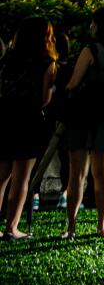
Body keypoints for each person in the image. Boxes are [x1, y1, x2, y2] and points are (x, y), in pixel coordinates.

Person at [61, 7, 104, 239]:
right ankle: (102, 226)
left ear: (98, 25)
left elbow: (73, 83)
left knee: (77, 173)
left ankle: (71, 227)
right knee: (102, 174)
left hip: (82, 114)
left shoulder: (90, 50)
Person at [0, 17, 58, 240]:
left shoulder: (6, 60)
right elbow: (45, 98)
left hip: (4, 115)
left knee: (2, 175)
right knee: (21, 177)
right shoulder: (47, 63)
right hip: (28, 118)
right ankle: (12, 227)